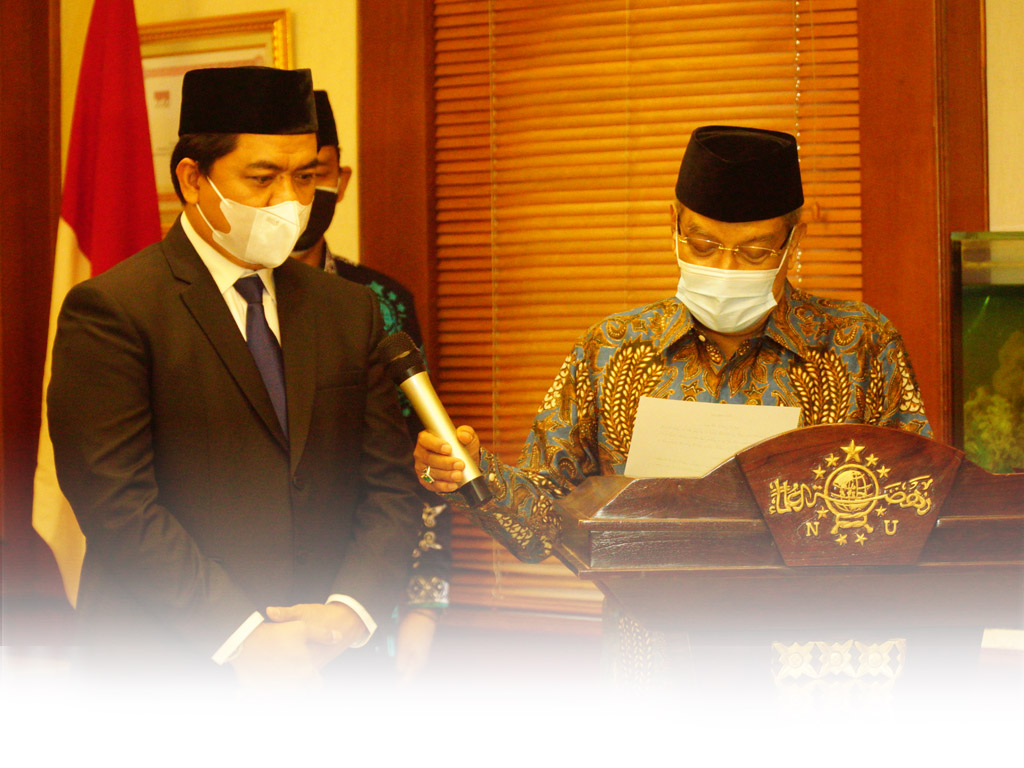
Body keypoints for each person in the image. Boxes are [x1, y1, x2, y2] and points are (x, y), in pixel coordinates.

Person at [47, 66, 422, 688]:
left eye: (305, 177)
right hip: (168, 668)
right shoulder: (114, 310)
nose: (289, 201)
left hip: (325, 665)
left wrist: (349, 613)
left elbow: (388, 483)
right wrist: (244, 636)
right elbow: (115, 501)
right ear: (192, 179)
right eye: (262, 178)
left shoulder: (348, 309)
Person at [413, 125, 932, 563]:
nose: (725, 267)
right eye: (702, 245)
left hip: (802, 638)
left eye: (754, 253)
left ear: (793, 240)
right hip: (651, 639)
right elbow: (542, 529)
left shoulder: (859, 344)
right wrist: (472, 473)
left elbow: (916, 504)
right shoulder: (612, 349)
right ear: (674, 225)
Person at [290, 90, 451, 682]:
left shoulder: (379, 302)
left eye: (315, 174)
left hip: (361, 588)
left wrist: (425, 603)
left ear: (342, 180)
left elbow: (421, 452)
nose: (299, 193)